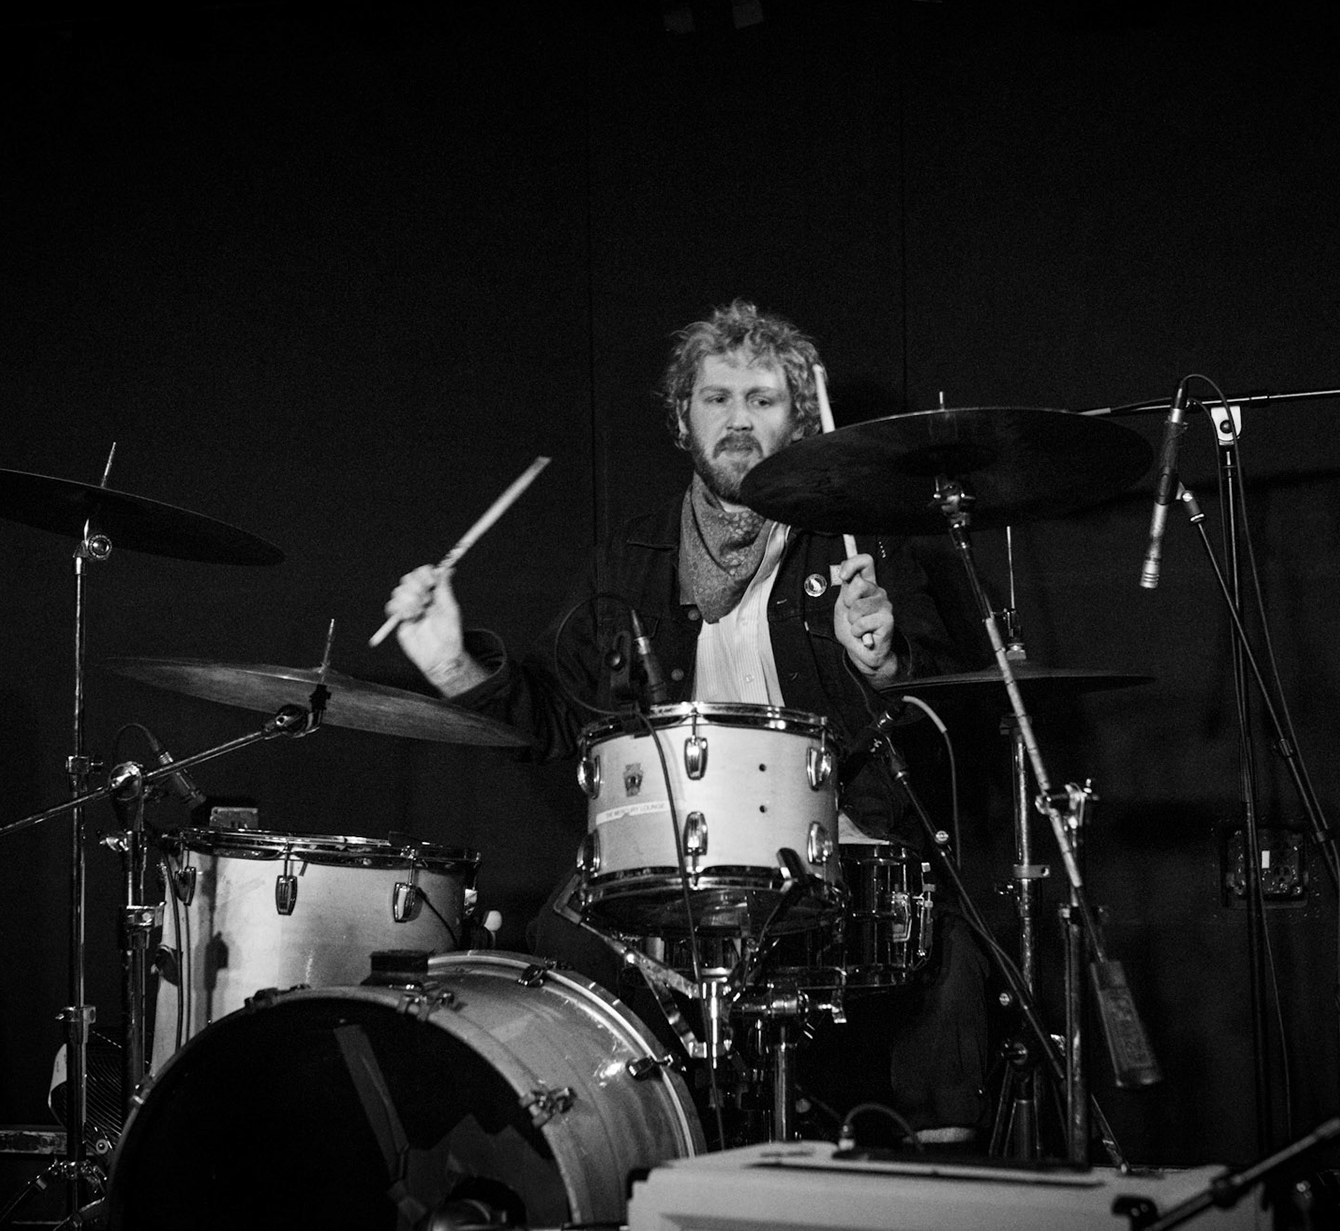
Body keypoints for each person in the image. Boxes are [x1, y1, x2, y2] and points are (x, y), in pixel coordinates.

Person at [384, 299, 990, 1145]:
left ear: (800, 420)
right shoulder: (633, 559)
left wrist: (882, 661)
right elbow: (557, 717)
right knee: (557, 959)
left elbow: (950, 708)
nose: (739, 418)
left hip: (838, 840)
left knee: (946, 961)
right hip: (668, 849)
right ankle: (606, 1157)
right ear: (683, 418)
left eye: (762, 399)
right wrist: (454, 664)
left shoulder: (860, 544)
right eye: (717, 398)